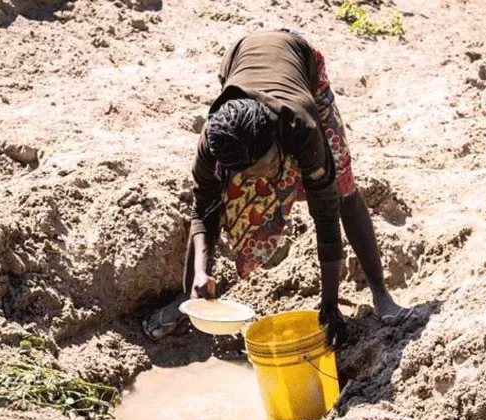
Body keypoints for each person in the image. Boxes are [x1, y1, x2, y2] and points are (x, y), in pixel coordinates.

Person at [143, 29, 417, 345]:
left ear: (276, 140)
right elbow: (203, 209)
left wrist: (329, 305)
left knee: (342, 188)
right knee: (223, 199)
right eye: (248, 173)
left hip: (300, 59)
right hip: (239, 59)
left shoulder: (301, 125)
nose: (263, 180)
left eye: (267, 167)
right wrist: (201, 274)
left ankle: (381, 293)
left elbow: (325, 217)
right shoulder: (216, 141)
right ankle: (188, 299)